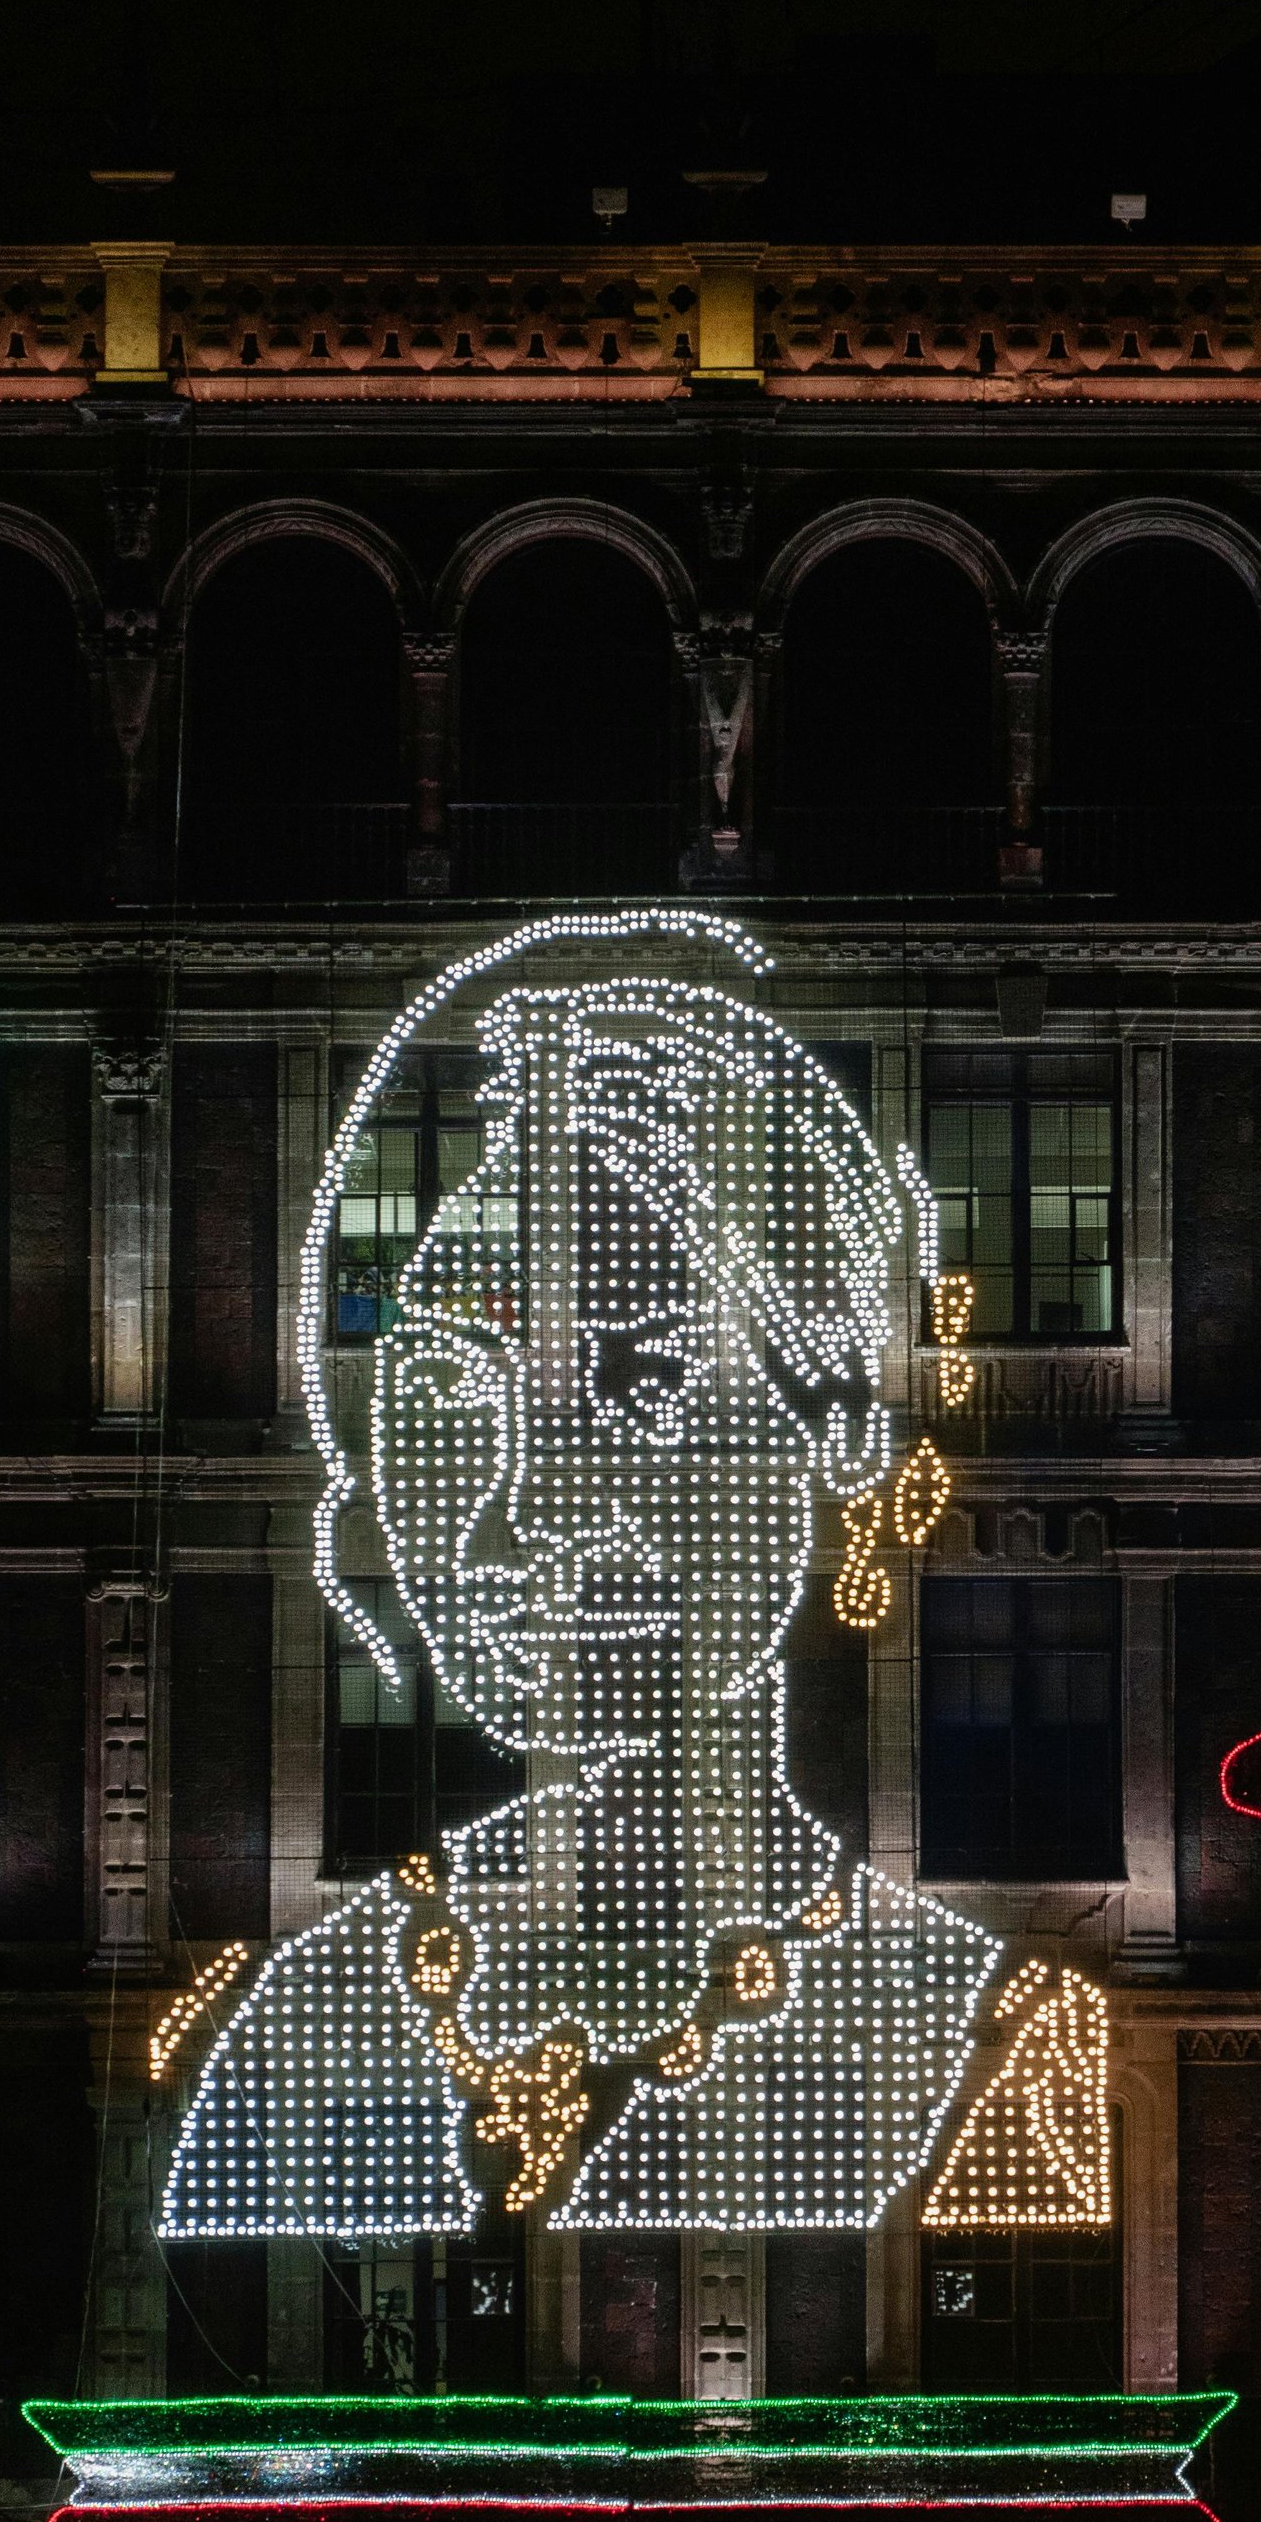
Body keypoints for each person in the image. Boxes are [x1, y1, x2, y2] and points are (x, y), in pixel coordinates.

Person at [161, 926, 1038, 2262]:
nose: (536, 1511)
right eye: (452, 1383)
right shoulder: (295, 2022)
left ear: (841, 1444)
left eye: (649, 1382)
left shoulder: (997, 2032)